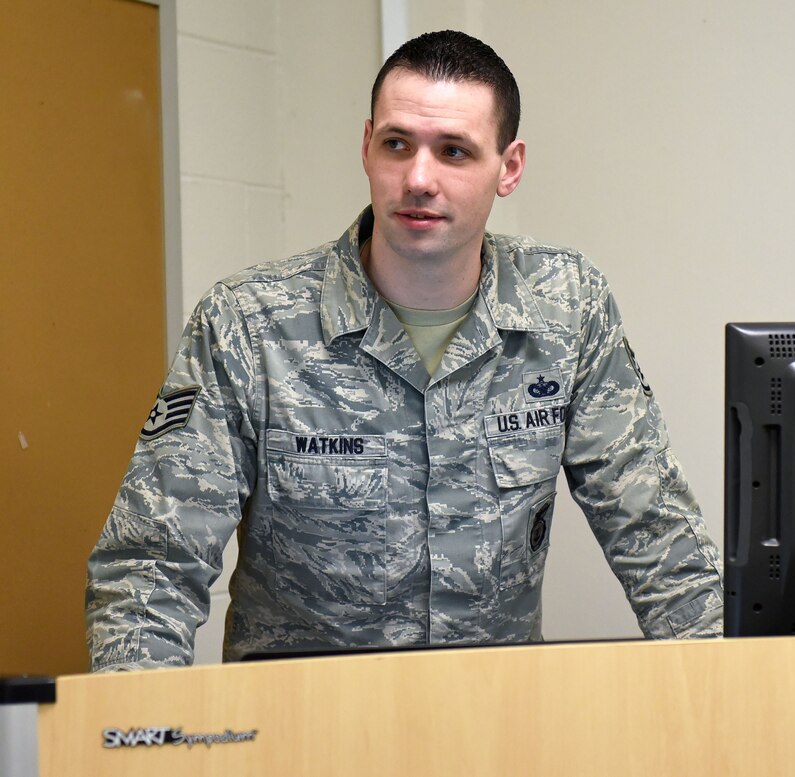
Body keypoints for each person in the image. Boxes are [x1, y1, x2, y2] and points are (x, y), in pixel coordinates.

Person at [86, 30, 724, 671]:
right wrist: (140, 740)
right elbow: (151, 570)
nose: (419, 179)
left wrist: (733, 694)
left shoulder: (566, 307)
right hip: (306, 733)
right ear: (367, 148)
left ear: (508, 167)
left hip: (489, 724)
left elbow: (655, 530)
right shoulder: (250, 325)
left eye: (454, 151)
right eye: (398, 145)